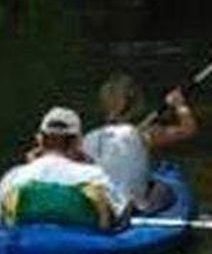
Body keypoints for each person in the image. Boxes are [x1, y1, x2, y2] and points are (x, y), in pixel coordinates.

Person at [0, 106, 129, 230]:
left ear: (40, 140)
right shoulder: (94, 175)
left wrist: (29, 166)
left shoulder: (15, 177)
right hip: (81, 248)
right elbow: (120, 215)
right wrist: (91, 164)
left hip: (28, 247)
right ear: (77, 142)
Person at [81, 73, 198, 214]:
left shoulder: (88, 138)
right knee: (166, 188)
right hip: (132, 207)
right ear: (137, 105)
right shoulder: (145, 135)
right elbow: (188, 129)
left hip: (100, 204)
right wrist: (180, 105)